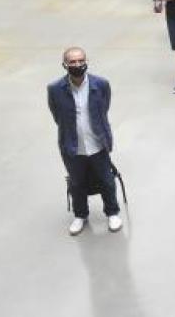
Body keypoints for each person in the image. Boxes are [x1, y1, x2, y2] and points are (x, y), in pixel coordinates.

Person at [48, 47, 122, 235]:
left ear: (86, 61)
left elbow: (104, 109)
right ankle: (80, 215)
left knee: (106, 180)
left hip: (98, 143)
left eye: (80, 60)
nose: (77, 64)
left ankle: (112, 213)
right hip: (72, 146)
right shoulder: (55, 89)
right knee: (76, 183)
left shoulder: (101, 84)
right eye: (72, 62)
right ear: (64, 64)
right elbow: (58, 117)